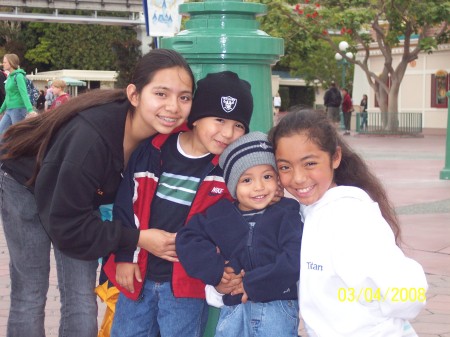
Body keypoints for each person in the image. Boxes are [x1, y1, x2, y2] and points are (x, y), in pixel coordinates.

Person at [0, 48, 196, 337]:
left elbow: (210, 133)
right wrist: (138, 239)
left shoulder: (163, 133)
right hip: (24, 182)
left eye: (184, 97)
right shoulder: (90, 139)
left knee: (81, 298)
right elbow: (68, 226)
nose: (173, 107)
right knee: (30, 292)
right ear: (134, 95)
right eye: (161, 94)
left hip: (78, 196)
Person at [102, 71, 254, 337]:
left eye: (238, 126)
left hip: (188, 285)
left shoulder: (230, 172)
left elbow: (234, 229)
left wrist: (221, 271)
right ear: (195, 118)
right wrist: (126, 255)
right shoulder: (153, 151)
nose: (228, 133)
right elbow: (126, 207)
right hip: (138, 274)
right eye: (219, 119)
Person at [269, 109, 428, 336]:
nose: (298, 177)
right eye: (285, 167)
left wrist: (376, 314)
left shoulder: (350, 217)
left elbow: (409, 292)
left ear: (335, 157)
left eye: (310, 163)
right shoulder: (307, 213)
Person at [176, 131, 303, 337]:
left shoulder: (286, 212)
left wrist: (251, 284)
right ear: (233, 184)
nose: (259, 187)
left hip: (277, 308)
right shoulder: (220, 214)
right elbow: (186, 239)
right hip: (233, 309)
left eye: (267, 176)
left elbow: (293, 259)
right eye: (247, 180)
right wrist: (216, 271)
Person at [0, 54, 34, 135]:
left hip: (18, 110)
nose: (2, 64)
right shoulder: (9, 77)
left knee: (17, 136)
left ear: (11, 63)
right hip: (9, 109)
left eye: (4, 62)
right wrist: (1, 110)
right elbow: (7, 96)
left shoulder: (19, 76)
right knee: (1, 133)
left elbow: (24, 94)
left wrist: (30, 110)